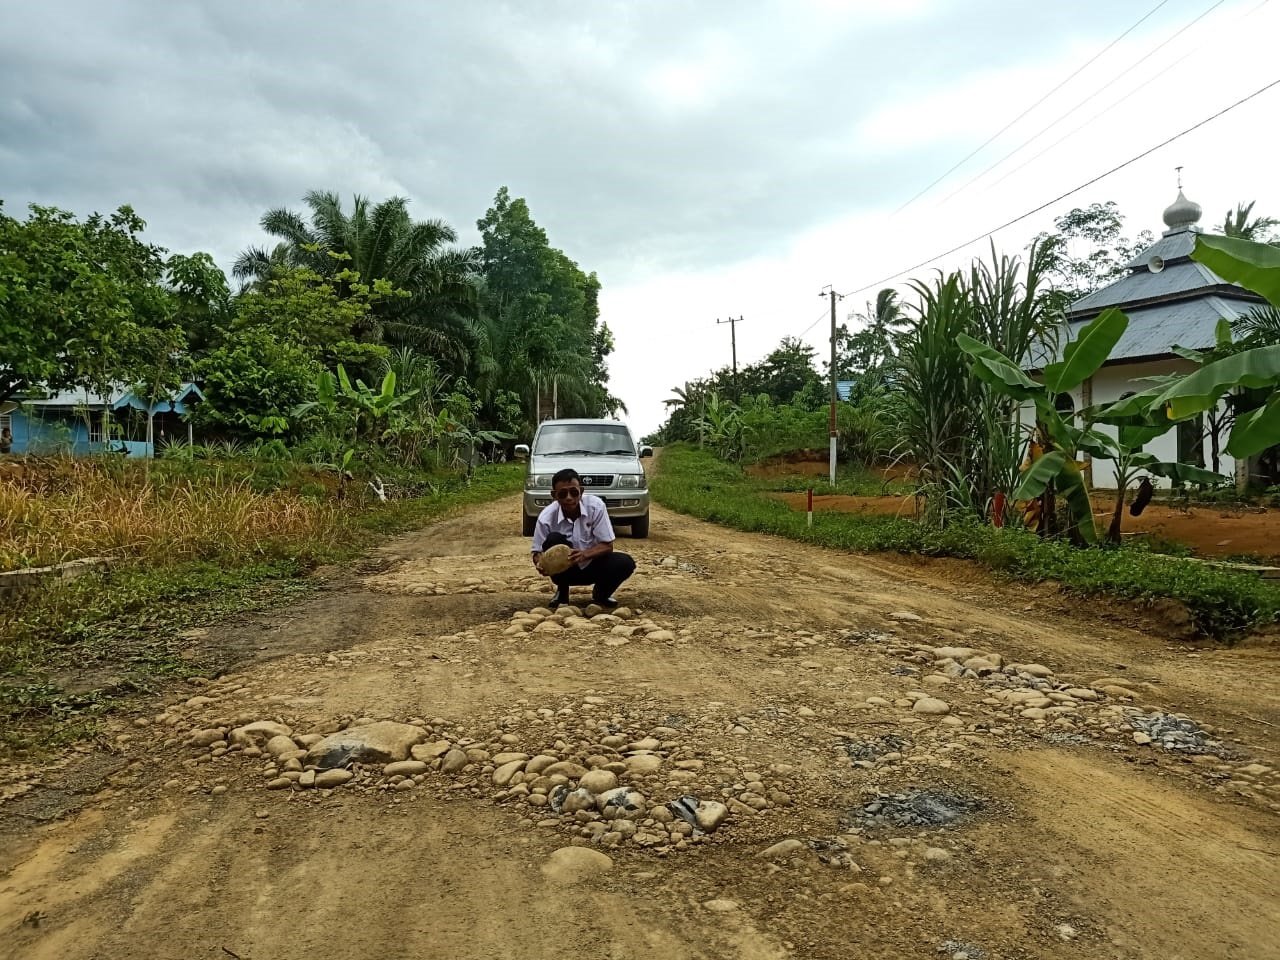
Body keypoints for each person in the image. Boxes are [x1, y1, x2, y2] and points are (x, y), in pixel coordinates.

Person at [531, 467, 636, 609]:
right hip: (564, 572)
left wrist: (584, 555)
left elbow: (607, 545)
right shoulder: (546, 517)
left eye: (574, 492)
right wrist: (540, 564)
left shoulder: (596, 507)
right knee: (553, 539)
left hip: (593, 565)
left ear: (581, 491)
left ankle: (602, 594)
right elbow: (537, 552)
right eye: (563, 494)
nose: (569, 497)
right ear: (554, 495)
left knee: (625, 563)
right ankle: (562, 591)